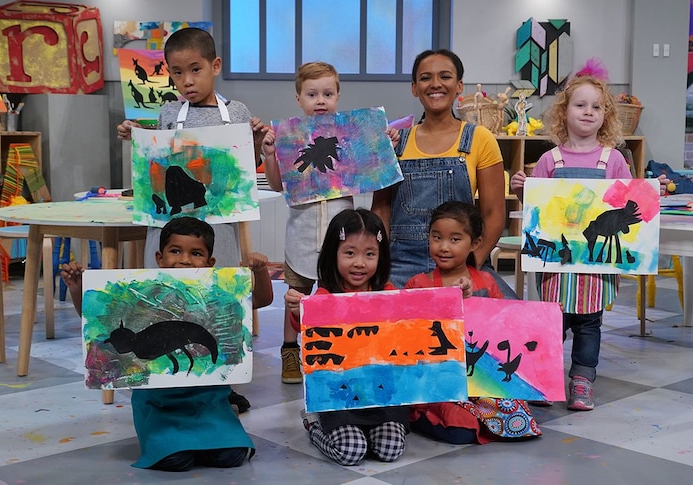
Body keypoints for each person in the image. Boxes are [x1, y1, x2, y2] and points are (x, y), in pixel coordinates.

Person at [60, 217, 273, 471]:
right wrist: (76, 289)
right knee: (175, 461)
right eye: (175, 251)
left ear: (210, 262)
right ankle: (173, 442)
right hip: (159, 406)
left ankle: (220, 425)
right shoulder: (139, 292)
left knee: (230, 457)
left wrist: (259, 272)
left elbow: (262, 299)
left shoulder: (215, 290)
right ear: (159, 257)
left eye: (196, 253)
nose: (184, 259)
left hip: (208, 403)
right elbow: (93, 320)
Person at [509, 67, 631, 412]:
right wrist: (523, 190)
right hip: (556, 264)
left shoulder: (614, 159)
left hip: (594, 264)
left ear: (606, 114)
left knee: (589, 324)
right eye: (580, 105)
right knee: (553, 322)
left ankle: (581, 379)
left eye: (596, 106)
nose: (588, 112)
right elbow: (537, 210)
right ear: (564, 111)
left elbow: (626, 205)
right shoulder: (551, 159)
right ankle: (546, 378)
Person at [116, 27, 269, 270]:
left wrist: (257, 141)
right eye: (178, 73)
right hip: (170, 225)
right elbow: (157, 160)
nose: (187, 81)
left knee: (218, 284)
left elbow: (246, 171)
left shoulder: (237, 112)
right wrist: (134, 135)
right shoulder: (169, 112)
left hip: (219, 222)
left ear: (215, 66)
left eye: (195, 70)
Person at [371, 49, 513, 298]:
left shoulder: (480, 139)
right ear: (414, 88)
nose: (435, 84)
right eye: (426, 78)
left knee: (517, 323)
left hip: (462, 264)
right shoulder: (394, 142)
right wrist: (379, 265)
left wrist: (472, 265)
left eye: (445, 76)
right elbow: (380, 211)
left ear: (459, 86)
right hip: (402, 265)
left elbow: (493, 214)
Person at [405, 201, 541, 444]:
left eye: (455, 239)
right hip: (438, 381)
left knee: (517, 417)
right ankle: (418, 416)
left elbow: (505, 328)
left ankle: (478, 417)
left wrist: (542, 319)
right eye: (436, 237)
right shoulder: (418, 284)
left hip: (481, 381)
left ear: (475, 244)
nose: (443, 247)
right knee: (461, 430)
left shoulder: (486, 282)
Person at [284, 208, 408, 466]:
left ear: (381, 257)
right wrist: (298, 311)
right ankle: (312, 423)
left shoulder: (388, 292)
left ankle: (369, 432)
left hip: (380, 395)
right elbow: (305, 331)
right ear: (333, 254)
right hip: (340, 396)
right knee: (351, 451)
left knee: (390, 449)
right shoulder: (324, 297)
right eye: (349, 253)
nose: (359, 263)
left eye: (370, 254)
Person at [259, 62, 352, 385]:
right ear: (299, 98)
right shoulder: (289, 137)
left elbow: (373, 170)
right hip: (300, 235)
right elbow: (274, 185)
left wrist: (384, 140)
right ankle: (289, 350)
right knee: (295, 296)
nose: (321, 100)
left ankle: (335, 351)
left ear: (338, 95)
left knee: (338, 295)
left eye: (328, 93)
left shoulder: (350, 135)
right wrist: (270, 154)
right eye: (312, 94)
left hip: (340, 238)